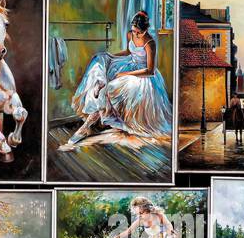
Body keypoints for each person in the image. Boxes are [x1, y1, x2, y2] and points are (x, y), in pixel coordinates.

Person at [62, 9, 172, 150]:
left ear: (145, 30)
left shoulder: (150, 43)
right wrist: (112, 56)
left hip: (142, 74)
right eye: (134, 31)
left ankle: (87, 126)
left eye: (139, 32)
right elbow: (128, 52)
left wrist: (126, 74)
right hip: (129, 64)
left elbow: (149, 70)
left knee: (110, 89)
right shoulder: (130, 34)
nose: (136, 34)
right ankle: (89, 118)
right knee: (100, 59)